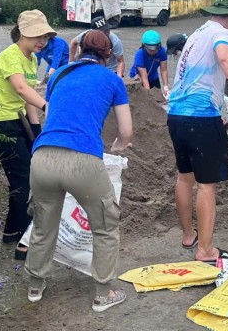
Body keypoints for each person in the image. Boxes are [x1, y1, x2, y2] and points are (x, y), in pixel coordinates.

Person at [25, 29, 133, 310]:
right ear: (107, 54)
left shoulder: (58, 75)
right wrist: (119, 146)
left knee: (43, 223)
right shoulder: (112, 79)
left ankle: (35, 286)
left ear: (79, 48)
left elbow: (57, 110)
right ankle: (102, 294)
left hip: (43, 156)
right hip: (83, 161)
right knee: (105, 226)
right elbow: (126, 131)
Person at [167, 0, 228, 263]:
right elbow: (224, 58)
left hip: (176, 115)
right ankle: (205, 250)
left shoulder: (196, 34)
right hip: (200, 117)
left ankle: (188, 235)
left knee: (185, 177)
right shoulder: (222, 33)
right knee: (206, 185)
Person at [0, 10, 56, 260]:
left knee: (26, 176)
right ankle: (23, 238)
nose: (41, 41)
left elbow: (28, 101)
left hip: (18, 119)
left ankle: (13, 232)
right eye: (37, 35)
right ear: (22, 33)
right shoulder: (11, 56)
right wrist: (49, 106)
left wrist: (36, 130)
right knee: (23, 178)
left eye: (44, 36)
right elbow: (22, 89)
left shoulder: (32, 59)